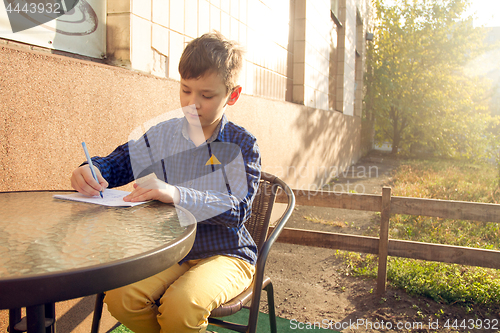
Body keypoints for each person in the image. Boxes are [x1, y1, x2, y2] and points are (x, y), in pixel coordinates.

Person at [70, 31, 261, 333]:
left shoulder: (241, 144)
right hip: (168, 250)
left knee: (181, 306)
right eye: (185, 90)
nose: (191, 103)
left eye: (206, 95)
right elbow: (119, 162)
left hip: (226, 254)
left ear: (232, 95)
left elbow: (238, 209)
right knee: (121, 298)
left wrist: (176, 193)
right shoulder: (163, 134)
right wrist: (91, 169)